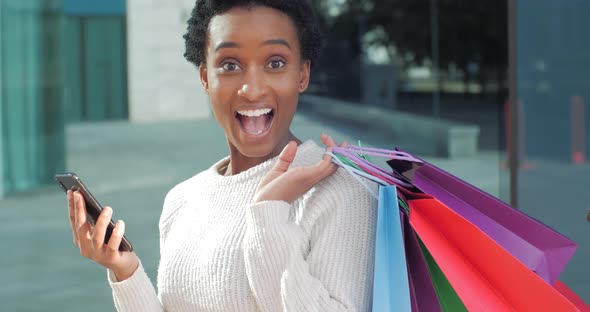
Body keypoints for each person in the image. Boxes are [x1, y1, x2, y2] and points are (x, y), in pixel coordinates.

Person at [66, 0, 377, 310]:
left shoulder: (340, 190)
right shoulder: (183, 199)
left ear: (302, 74)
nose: (252, 89)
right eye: (230, 65)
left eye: (275, 63)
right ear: (205, 78)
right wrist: (125, 271)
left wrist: (269, 214)